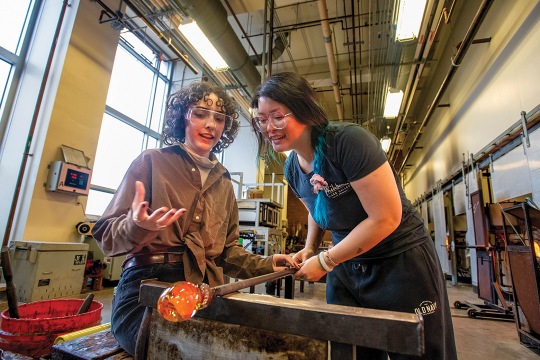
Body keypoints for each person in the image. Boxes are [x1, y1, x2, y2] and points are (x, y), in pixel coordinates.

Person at [250, 72, 457, 359]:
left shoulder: (348, 142)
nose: (268, 127)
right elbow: (316, 209)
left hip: (398, 261)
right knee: (351, 349)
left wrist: (325, 259)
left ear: (304, 110)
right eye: (261, 119)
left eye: (277, 116)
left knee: (414, 350)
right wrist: (310, 248)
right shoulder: (292, 169)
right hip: (347, 265)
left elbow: (385, 218)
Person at [92, 81, 297, 356]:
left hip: (206, 289)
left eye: (219, 118)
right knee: (176, 350)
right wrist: (137, 226)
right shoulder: (151, 162)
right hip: (148, 288)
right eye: (200, 113)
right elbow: (106, 235)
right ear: (182, 117)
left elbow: (228, 252)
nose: (211, 124)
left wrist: (269, 263)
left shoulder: (224, 183)